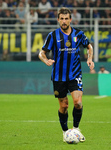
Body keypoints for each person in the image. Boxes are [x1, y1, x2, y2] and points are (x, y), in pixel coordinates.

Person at [38, 7, 94, 142]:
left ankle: (76, 129)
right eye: (61, 19)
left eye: (66, 19)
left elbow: (89, 46)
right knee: (64, 106)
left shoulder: (79, 34)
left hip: (75, 74)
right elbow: (42, 53)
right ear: (58, 19)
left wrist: (89, 59)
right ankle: (65, 132)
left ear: (70, 19)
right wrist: (46, 60)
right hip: (58, 77)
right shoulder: (52, 35)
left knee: (78, 103)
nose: (64, 21)